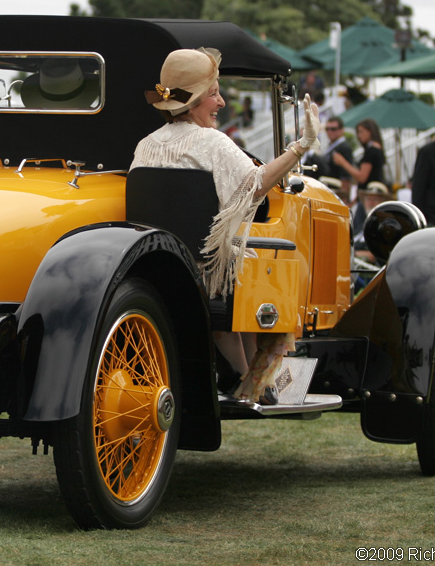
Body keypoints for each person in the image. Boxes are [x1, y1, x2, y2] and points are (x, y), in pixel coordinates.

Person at [131, 47, 319, 404]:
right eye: (214, 93)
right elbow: (256, 185)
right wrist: (301, 147)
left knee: (245, 255)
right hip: (209, 274)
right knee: (279, 261)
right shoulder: (212, 142)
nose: (220, 103)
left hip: (158, 268)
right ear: (197, 100)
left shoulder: (145, 146)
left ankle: (242, 369)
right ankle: (255, 377)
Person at [330, 118, 386, 188]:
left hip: (370, 192)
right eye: (358, 132)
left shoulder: (372, 150)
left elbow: (362, 177)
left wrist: (342, 162)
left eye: (361, 132)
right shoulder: (378, 148)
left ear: (370, 131)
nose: (359, 136)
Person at [322, 116, 354, 197]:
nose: (329, 132)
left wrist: (343, 197)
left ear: (341, 130)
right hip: (329, 190)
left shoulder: (343, 147)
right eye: (327, 129)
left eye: (333, 129)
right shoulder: (333, 146)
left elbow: (346, 176)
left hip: (337, 193)